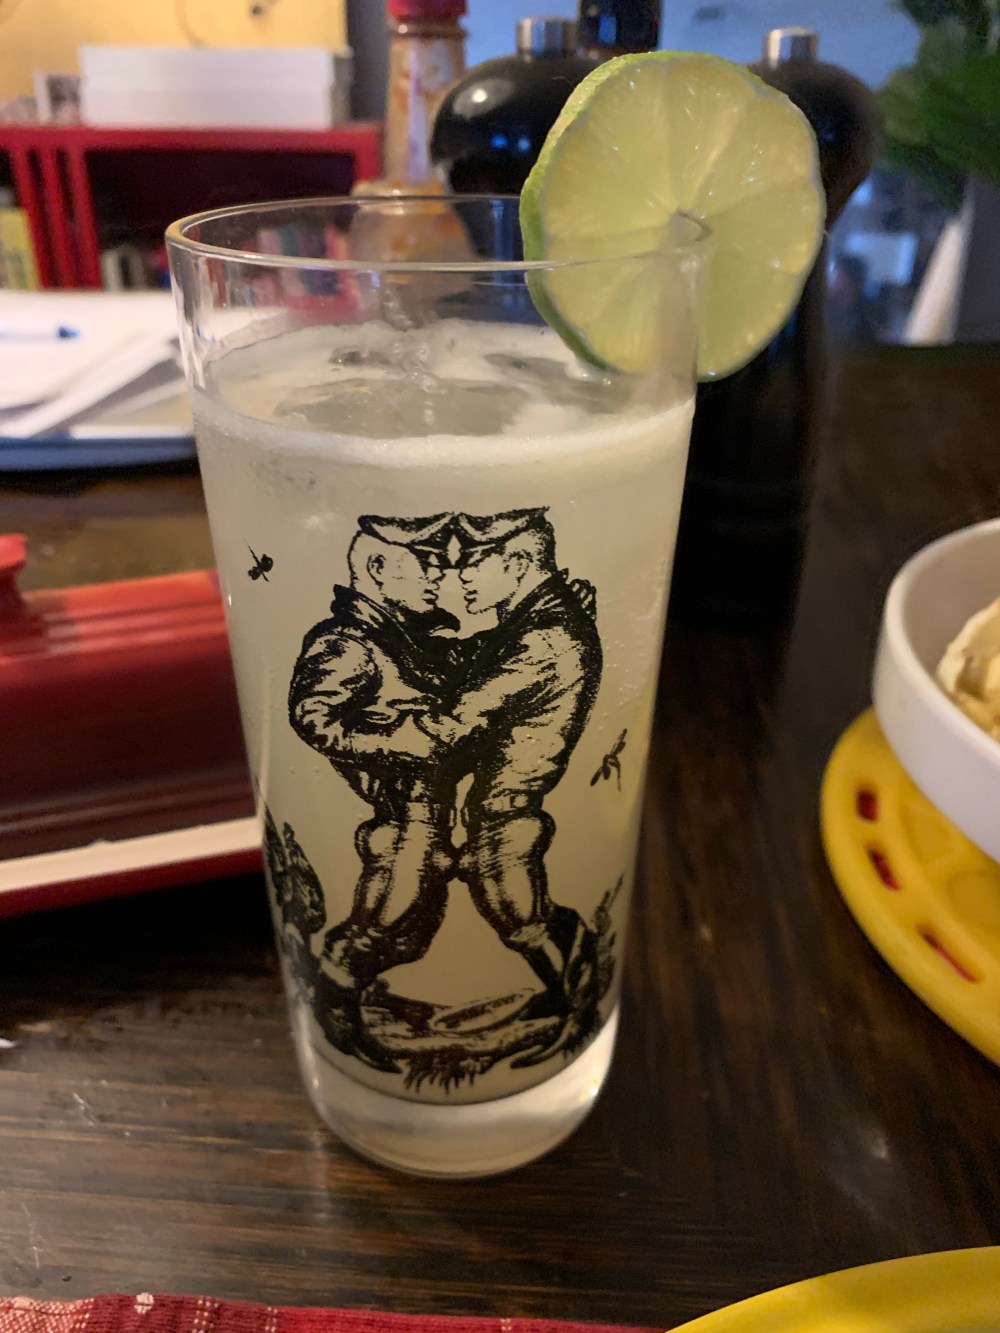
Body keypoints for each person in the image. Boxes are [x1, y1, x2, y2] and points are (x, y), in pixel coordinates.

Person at [417, 509, 603, 1065]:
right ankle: (572, 990)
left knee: (516, 910)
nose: (460, 577)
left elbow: (461, 715)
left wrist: (379, 728)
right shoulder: (536, 621)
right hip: (502, 801)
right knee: (518, 908)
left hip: (509, 803)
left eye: (474, 562)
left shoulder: (543, 636)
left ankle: (575, 1011)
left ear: (519, 561)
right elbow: (477, 662)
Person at [287, 513, 461, 1071]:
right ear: (380, 568)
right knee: (381, 923)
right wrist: (396, 742)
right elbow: (311, 716)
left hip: (432, 812)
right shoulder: (349, 644)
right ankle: (339, 1021)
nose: (439, 574)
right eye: (425, 564)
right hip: (405, 813)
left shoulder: (407, 636)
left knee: (411, 937)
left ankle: (362, 999)